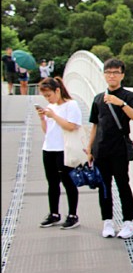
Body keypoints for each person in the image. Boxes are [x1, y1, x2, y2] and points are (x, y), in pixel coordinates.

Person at [87, 58, 133, 239]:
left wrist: (121, 104)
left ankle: (129, 222)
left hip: (119, 149)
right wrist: (89, 149)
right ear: (104, 74)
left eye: (116, 72)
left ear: (122, 75)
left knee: (123, 185)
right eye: (108, 72)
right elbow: (95, 125)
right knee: (104, 187)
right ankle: (108, 222)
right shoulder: (98, 99)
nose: (112, 76)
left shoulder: (129, 96)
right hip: (101, 149)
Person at [36, 77, 83, 229]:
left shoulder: (71, 105)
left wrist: (54, 116)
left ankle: (72, 215)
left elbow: (71, 126)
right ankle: (54, 213)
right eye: (45, 96)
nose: (48, 98)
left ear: (58, 90)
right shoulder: (51, 106)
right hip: (49, 148)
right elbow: (47, 131)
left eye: (49, 95)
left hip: (64, 149)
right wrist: (43, 118)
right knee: (52, 183)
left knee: (68, 182)